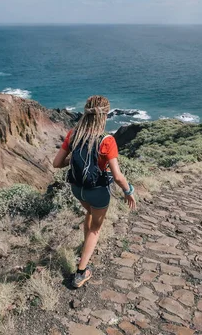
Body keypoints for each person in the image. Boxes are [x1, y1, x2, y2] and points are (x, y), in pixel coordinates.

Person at [53, 95, 137, 288]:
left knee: (89, 213)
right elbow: (117, 176)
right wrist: (128, 191)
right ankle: (81, 272)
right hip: (97, 191)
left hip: (77, 189)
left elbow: (57, 163)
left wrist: (74, 159)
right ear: (104, 115)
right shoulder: (106, 140)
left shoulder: (73, 134)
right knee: (96, 229)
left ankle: (85, 248)